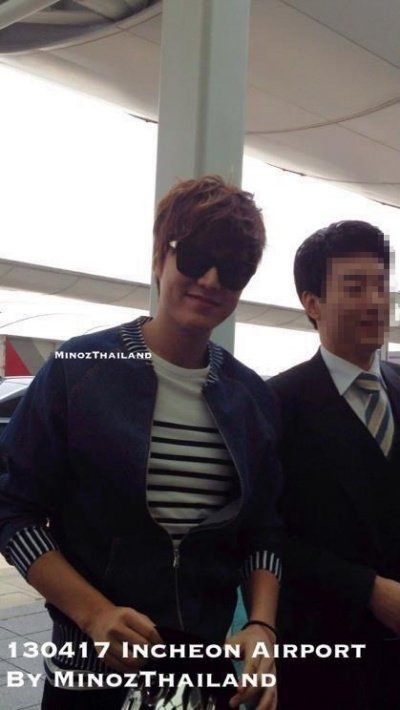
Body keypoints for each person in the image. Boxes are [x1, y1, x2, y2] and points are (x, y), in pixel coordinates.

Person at [0, 175, 282, 710]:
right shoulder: (80, 368)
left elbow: (263, 528)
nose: (211, 280)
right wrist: (93, 613)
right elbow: (13, 510)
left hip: (200, 677)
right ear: (160, 256)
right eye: (196, 257)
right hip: (90, 673)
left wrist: (262, 625)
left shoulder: (250, 397)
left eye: (234, 269)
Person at [269, 220, 400, 710]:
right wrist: (367, 589)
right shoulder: (276, 403)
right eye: (355, 287)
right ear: (312, 303)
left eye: (381, 285)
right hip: (326, 658)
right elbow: (266, 532)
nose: (375, 301)